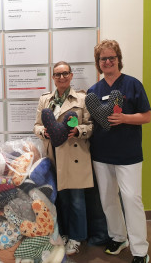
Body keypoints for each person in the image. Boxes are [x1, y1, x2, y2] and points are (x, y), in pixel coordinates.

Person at [87, 39, 151, 263]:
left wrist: (124, 118)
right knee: (107, 199)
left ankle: (140, 250)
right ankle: (118, 237)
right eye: (103, 58)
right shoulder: (94, 91)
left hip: (128, 155)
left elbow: (147, 116)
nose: (107, 61)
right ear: (98, 62)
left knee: (132, 199)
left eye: (111, 57)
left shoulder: (132, 85)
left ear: (118, 59)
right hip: (101, 154)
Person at [33, 61, 94, 256]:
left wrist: (78, 130)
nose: (61, 77)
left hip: (75, 155)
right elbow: (36, 126)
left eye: (65, 73)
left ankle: (77, 238)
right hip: (53, 155)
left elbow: (91, 126)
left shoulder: (82, 99)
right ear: (52, 77)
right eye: (57, 74)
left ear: (71, 75)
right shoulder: (45, 100)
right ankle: (65, 234)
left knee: (76, 199)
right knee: (59, 199)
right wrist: (45, 132)